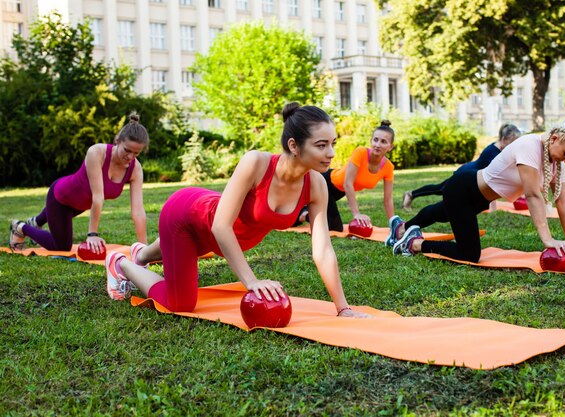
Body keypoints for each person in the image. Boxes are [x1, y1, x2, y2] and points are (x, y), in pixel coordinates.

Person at [104, 102, 368, 318]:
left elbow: (322, 250)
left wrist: (343, 308)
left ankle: (141, 254)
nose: (331, 152)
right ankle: (122, 263)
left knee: (189, 247)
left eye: (333, 143)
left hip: (212, 233)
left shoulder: (316, 186)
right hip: (187, 215)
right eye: (321, 145)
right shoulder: (256, 163)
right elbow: (220, 226)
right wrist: (251, 281)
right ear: (293, 146)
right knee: (180, 303)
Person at [386, 119, 565, 264]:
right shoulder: (531, 145)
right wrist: (548, 240)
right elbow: (532, 195)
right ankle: (413, 244)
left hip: (478, 199)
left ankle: (403, 228)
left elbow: (564, 206)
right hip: (464, 189)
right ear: (555, 138)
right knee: (469, 253)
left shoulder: (558, 164)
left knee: (440, 213)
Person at [9, 113, 149, 253]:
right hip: (61, 198)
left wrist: (144, 249)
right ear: (118, 140)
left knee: (59, 220)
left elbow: (138, 211)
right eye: (127, 150)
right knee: (62, 246)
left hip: (80, 204)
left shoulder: (135, 169)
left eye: (136, 153)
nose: (130, 157)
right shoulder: (97, 152)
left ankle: (37, 222)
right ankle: (20, 227)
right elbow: (98, 197)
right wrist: (92, 234)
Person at [296, 120, 396, 232]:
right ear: (371, 140)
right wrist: (356, 214)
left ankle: (305, 211)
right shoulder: (361, 153)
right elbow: (348, 184)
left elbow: (388, 200)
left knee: (331, 225)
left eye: (383, 142)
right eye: (375, 140)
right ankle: (303, 213)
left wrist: (393, 224)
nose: (377, 145)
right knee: (334, 227)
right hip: (325, 182)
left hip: (337, 193)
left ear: (391, 146)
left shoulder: (388, 167)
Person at [402, 123, 522, 210]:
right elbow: (492, 180)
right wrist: (493, 208)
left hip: (470, 174)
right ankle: (410, 194)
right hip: (464, 173)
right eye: (512, 142)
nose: (514, 146)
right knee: (440, 189)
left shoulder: (499, 149)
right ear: (504, 139)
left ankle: (411, 194)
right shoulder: (492, 153)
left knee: (442, 190)